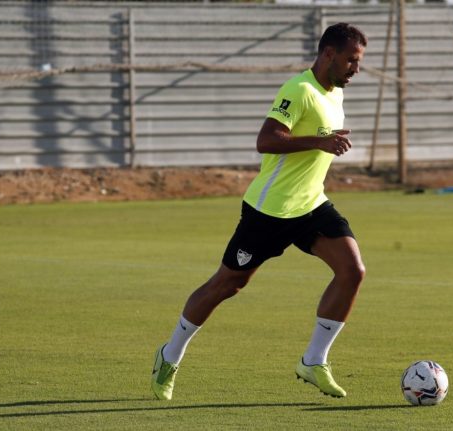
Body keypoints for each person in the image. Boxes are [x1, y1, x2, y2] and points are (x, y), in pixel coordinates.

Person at [151, 22, 368, 400]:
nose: (356, 69)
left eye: (359, 62)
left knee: (352, 270)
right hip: (269, 211)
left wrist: (322, 145)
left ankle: (313, 360)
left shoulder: (334, 94)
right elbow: (266, 140)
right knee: (227, 285)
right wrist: (319, 142)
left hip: (311, 205)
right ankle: (169, 356)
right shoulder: (298, 90)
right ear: (329, 54)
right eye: (351, 60)